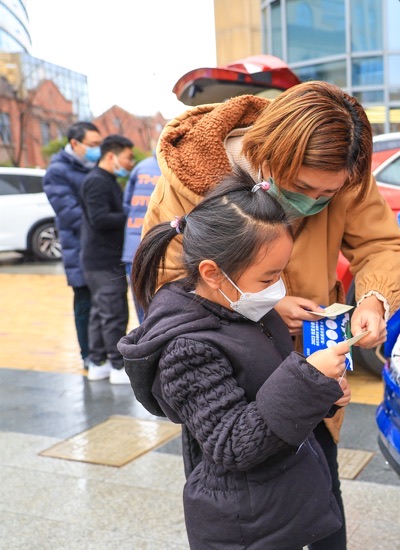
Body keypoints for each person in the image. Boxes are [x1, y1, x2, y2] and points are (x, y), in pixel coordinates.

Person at [143, 80, 400, 549]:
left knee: (319, 499)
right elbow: (165, 280)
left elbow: (382, 246)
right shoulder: (190, 180)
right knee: (248, 506)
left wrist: (373, 299)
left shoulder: (343, 170)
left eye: (329, 194)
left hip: (311, 374)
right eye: (304, 188)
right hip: (231, 388)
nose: (314, 202)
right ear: (266, 154)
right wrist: (268, 301)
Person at [118, 169, 351, 548]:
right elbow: (232, 442)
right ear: (213, 273)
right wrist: (307, 379)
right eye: (267, 278)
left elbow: (269, 390)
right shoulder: (186, 350)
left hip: (279, 502)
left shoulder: (244, 307)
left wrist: (322, 391)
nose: (276, 289)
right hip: (246, 525)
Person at [42, 121, 103, 370]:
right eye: (93, 145)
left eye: (100, 144)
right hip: (78, 247)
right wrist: (103, 223)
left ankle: (103, 350)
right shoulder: (57, 171)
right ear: (75, 144)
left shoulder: (93, 166)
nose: (97, 150)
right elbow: (70, 214)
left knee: (104, 302)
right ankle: (87, 353)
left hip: (100, 247)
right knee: (85, 300)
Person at [79, 135, 135, 384]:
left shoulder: (106, 180)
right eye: (128, 157)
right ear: (111, 156)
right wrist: (130, 215)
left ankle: (98, 362)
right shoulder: (97, 182)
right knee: (113, 312)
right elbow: (99, 218)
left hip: (101, 257)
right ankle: (116, 365)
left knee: (101, 312)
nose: (131, 162)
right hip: (101, 259)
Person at [121, 153, 161, 324]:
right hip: (163, 248)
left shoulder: (140, 167)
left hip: (133, 248)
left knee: (142, 309)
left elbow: (126, 206)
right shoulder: (180, 165)